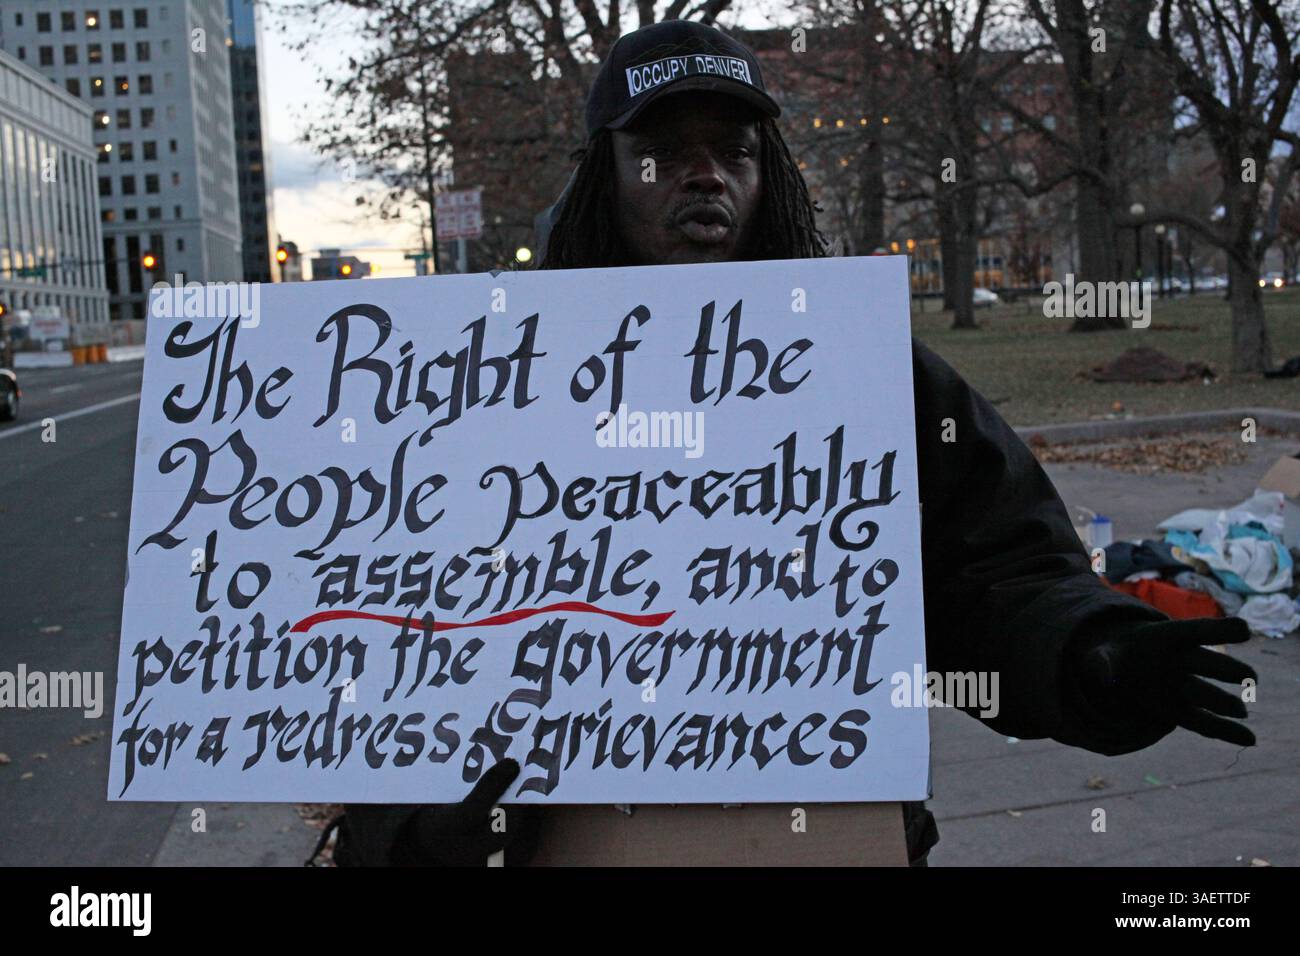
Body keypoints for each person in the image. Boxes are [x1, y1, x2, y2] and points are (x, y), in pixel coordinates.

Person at [327, 20, 1256, 867]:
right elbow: (405, 626)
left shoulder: (869, 371)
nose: (704, 176)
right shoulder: (493, 384)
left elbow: (998, 573)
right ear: (601, 178)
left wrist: (1090, 652)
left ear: (766, 177)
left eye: (732, 152)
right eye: (661, 153)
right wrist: (415, 830)